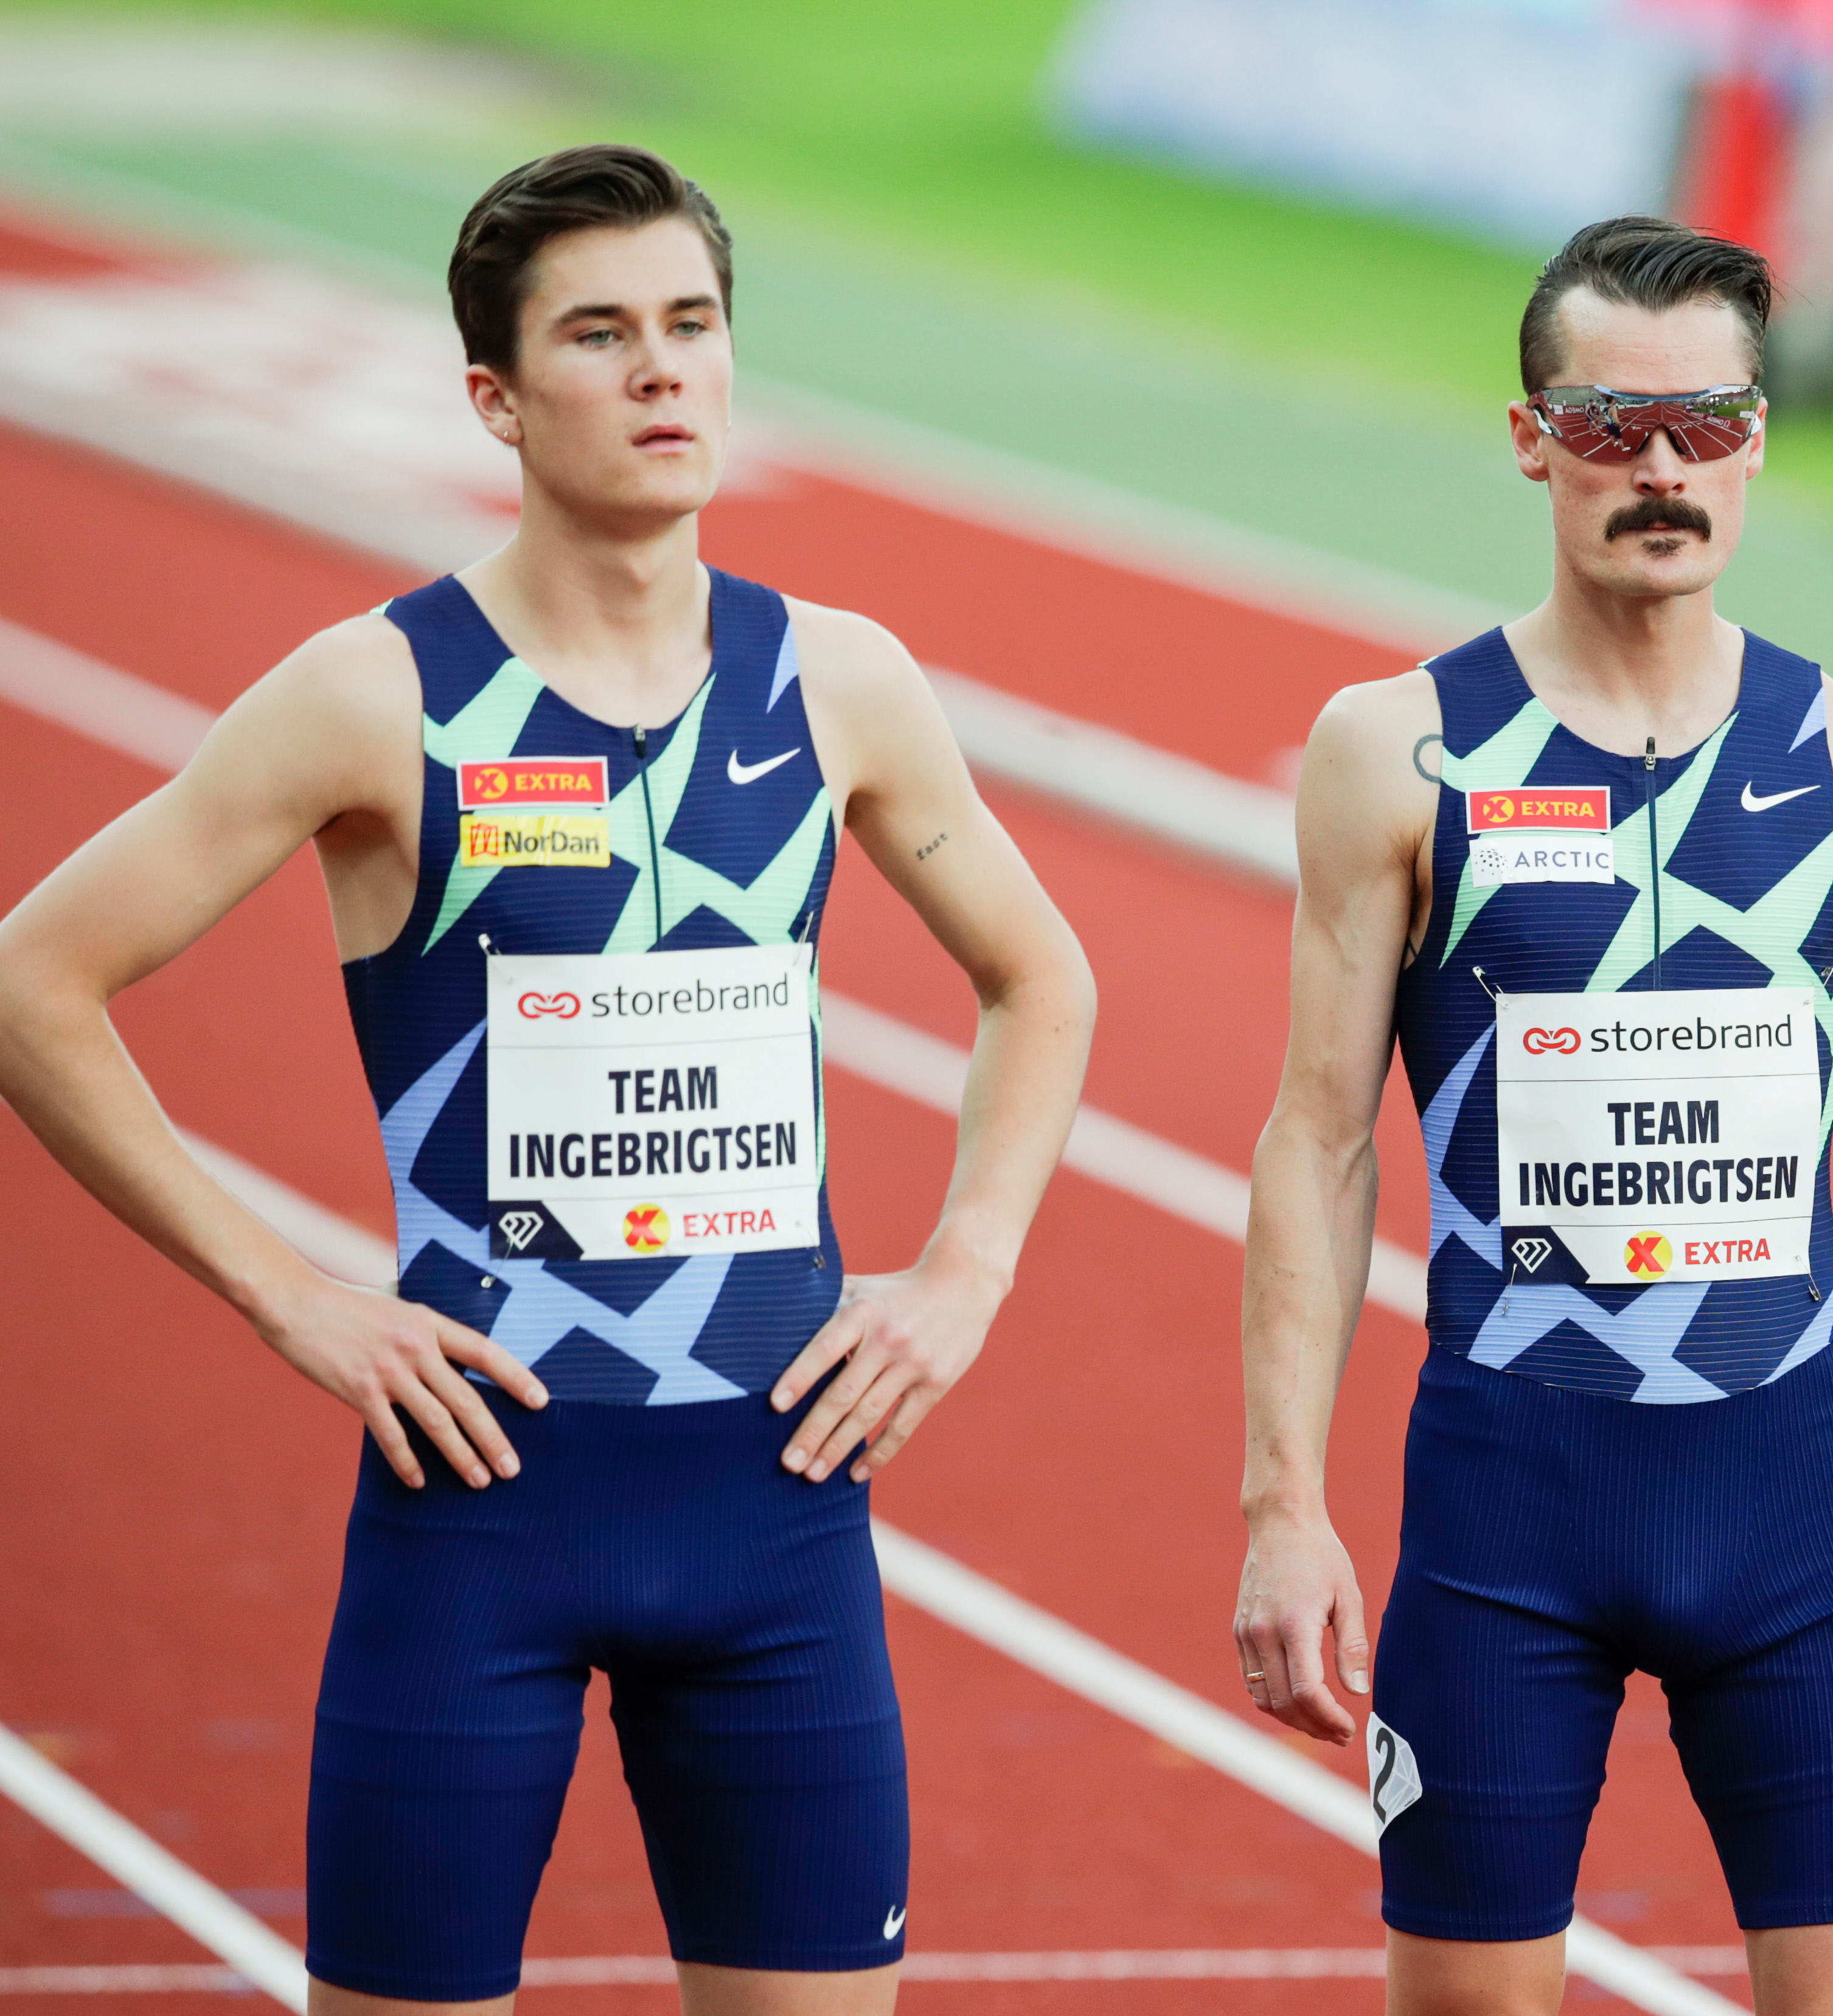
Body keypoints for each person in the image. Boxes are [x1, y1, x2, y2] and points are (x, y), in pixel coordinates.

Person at [0, 145, 1096, 2014]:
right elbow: (35, 980)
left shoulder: (838, 682)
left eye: (692, 322)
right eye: (599, 334)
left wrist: (968, 1266)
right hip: (484, 1505)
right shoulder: (377, 694)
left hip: (778, 1512)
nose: (663, 367)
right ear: (496, 398)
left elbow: (1041, 973)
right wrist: (290, 1292)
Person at [1231, 216, 1833, 2016]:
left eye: (1707, 426)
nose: (1663, 470)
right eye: (1613, 426)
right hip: (1509, 1512)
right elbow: (1318, 1140)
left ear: (1758, 440)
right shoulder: (1401, 749)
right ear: (1534, 440)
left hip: (1795, 1515)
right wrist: (1283, 1499)